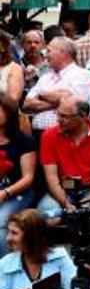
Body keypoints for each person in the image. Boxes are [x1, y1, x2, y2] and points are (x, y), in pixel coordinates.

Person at [37, 97, 90, 220]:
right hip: (62, 188)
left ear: (83, 116)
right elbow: (51, 177)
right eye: (58, 114)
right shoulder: (49, 135)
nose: (59, 120)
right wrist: (65, 203)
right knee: (48, 217)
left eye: (65, 117)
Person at [23, 37, 90, 134]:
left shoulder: (82, 75)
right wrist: (58, 100)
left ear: (63, 53)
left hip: (68, 135)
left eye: (49, 51)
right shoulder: (45, 77)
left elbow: (73, 105)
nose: (45, 55)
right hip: (39, 135)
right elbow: (27, 104)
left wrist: (40, 94)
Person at [0, 96, 37, 229]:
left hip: (17, 193)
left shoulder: (24, 141)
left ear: (9, 113)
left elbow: (28, 178)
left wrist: (5, 193)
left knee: (1, 221)